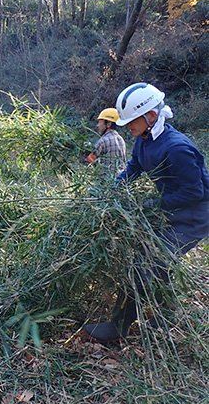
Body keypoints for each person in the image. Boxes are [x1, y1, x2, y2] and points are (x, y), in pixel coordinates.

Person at [83, 82, 209, 342]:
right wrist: (111, 191)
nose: (127, 127)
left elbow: (194, 193)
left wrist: (152, 205)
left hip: (197, 215)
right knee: (154, 259)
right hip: (174, 208)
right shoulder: (143, 140)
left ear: (151, 116)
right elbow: (133, 168)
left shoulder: (177, 148)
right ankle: (165, 315)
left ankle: (118, 326)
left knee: (148, 262)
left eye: (131, 122)